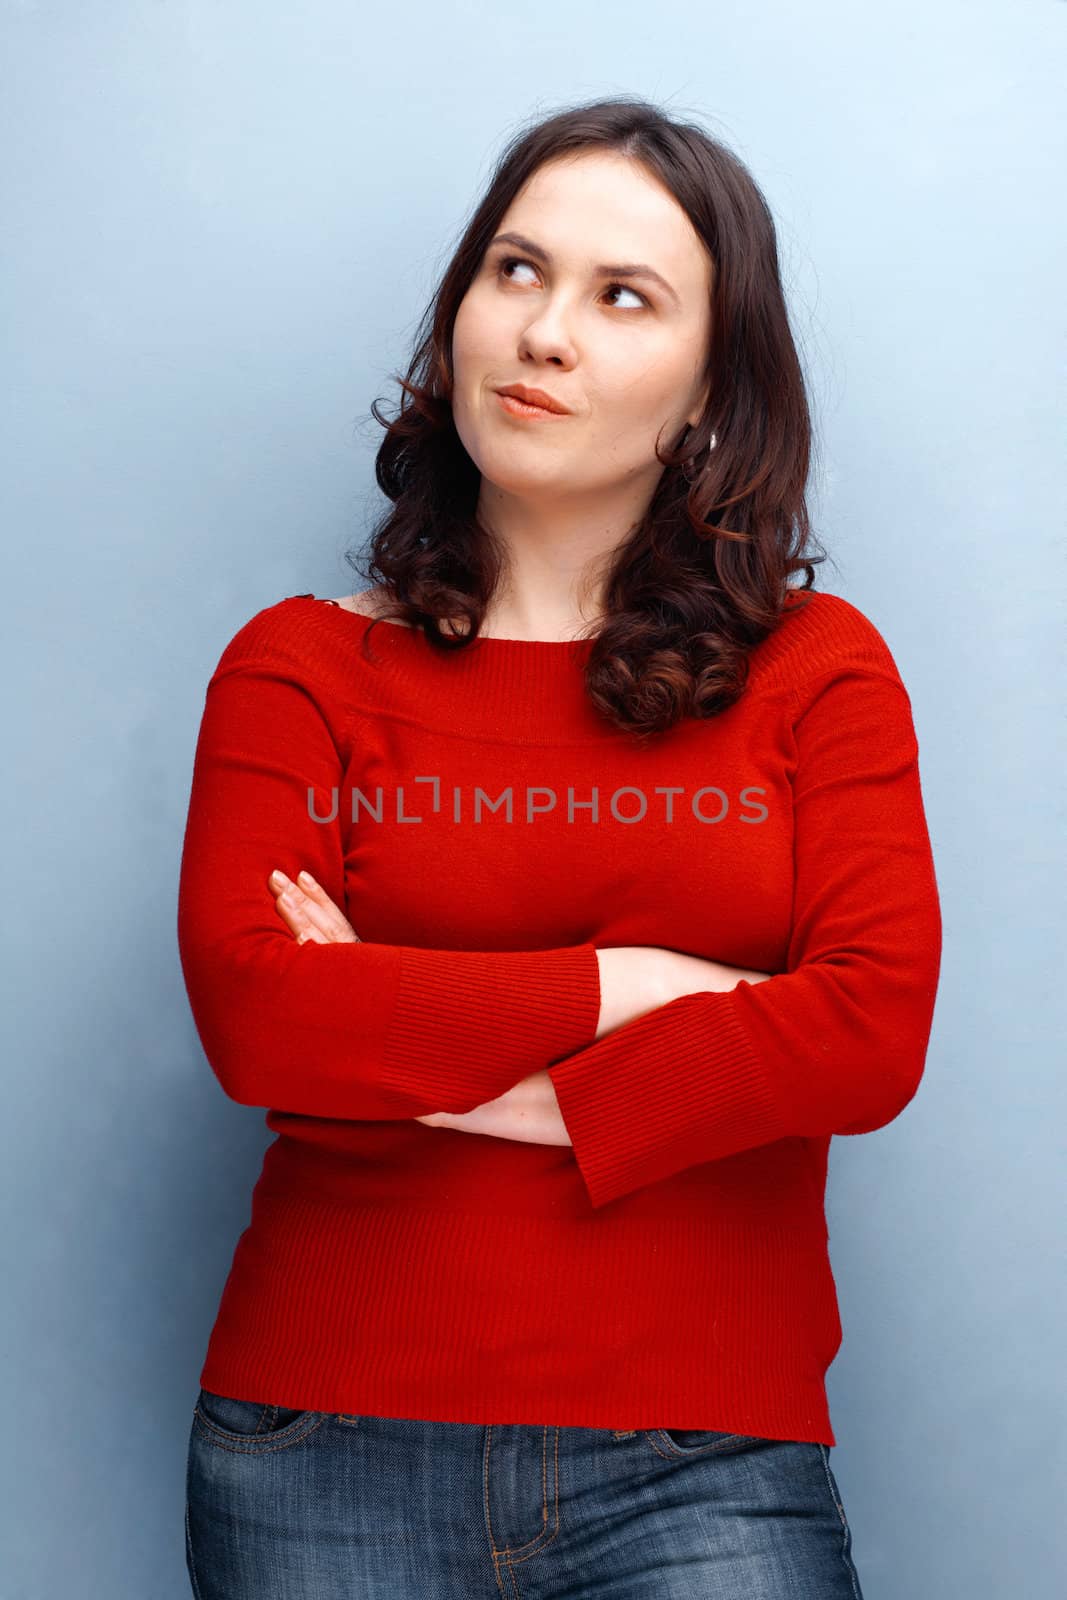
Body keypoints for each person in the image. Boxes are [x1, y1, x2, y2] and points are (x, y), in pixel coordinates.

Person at [177, 95, 941, 1598]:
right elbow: (267, 1020)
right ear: (458, 314)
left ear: (711, 394)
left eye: (622, 296)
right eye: (515, 272)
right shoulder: (301, 670)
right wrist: (645, 988)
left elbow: (867, 1035)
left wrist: (436, 1067)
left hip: (702, 1450)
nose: (543, 331)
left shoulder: (818, 673)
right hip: (320, 1445)